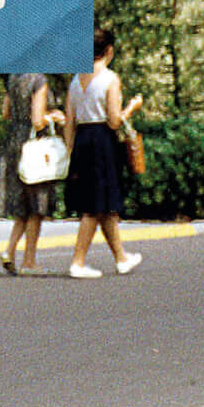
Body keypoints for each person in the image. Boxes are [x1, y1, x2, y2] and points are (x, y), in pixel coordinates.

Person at [64, 29, 144, 280]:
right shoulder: (110, 78)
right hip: (102, 141)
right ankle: (78, 261)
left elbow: (69, 121)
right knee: (94, 206)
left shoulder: (76, 80)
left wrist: (70, 150)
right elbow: (113, 121)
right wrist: (131, 108)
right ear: (108, 50)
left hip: (82, 139)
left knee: (105, 204)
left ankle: (121, 258)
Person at [0, 71, 62, 274]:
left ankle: (9, 251)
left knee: (22, 205)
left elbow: (5, 113)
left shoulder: (13, 78)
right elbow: (37, 120)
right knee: (36, 205)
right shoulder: (38, 80)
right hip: (34, 146)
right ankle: (29, 261)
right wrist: (54, 116)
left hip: (14, 141)